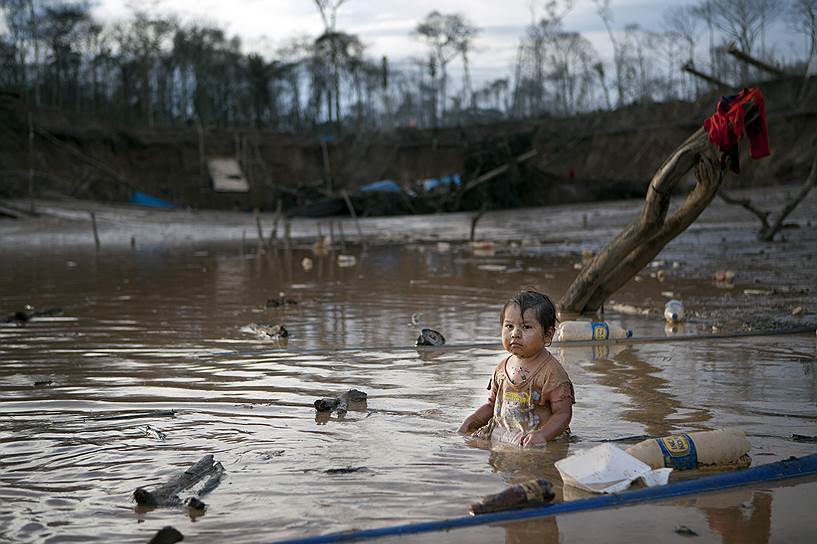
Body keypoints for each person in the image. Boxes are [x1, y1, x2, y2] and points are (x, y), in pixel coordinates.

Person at [458, 290, 574, 447]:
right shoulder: (502, 368)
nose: (515, 334)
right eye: (509, 326)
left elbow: (563, 413)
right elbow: (492, 405)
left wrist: (542, 435)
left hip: (536, 441)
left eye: (526, 327)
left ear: (547, 335)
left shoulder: (551, 372)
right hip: (506, 436)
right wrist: (473, 420)